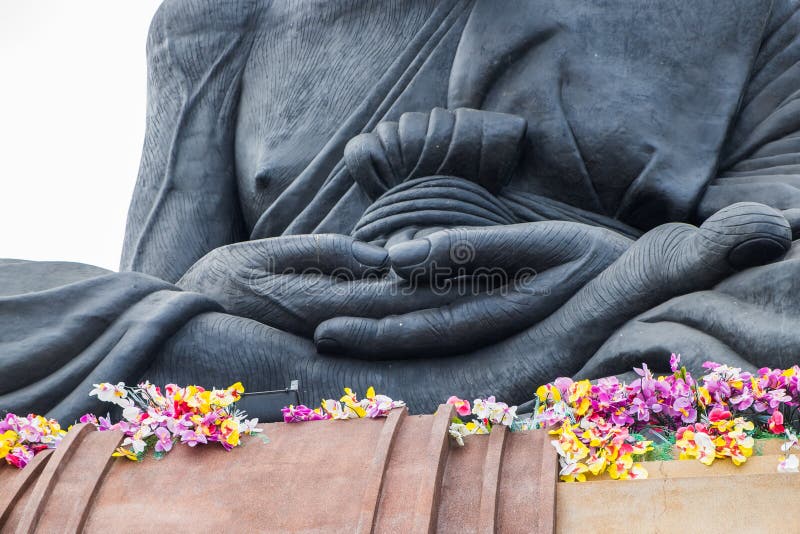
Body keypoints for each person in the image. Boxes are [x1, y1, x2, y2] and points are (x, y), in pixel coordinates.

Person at [3, 0, 800, 420]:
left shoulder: (749, 8)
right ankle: (448, 379)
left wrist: (613, 266)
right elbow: (156, 304)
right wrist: (228, 277)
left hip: (612, 328)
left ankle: (501, 358)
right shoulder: (220, 15)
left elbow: (771, 241)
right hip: (285, 341)